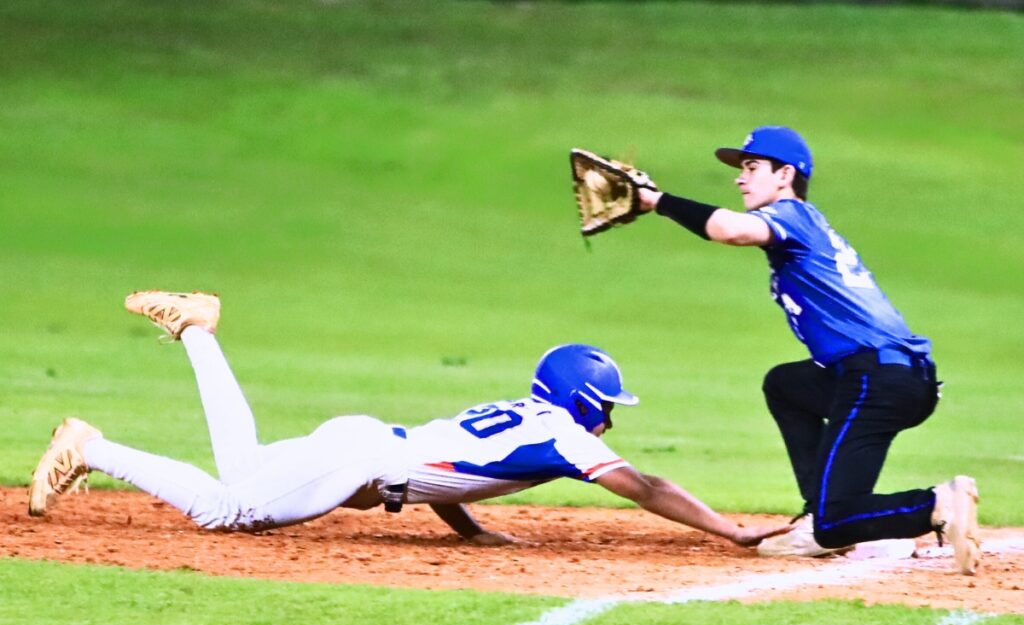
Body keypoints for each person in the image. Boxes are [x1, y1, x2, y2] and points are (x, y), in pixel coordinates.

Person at [28, 290, 791, 549]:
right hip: (361, 460)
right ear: (587, 400)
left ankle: (194, 331)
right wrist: (728, 529)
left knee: (241, 466)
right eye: (608, 408)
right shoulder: (562, 434)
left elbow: (452, 468)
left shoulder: (530, 415)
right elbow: (647, 485)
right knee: (230, 509)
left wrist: (472, 527)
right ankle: (98, 441)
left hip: (362, 443)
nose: (608, 424)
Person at [635, 125, 981, 574]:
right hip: (892, 377)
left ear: (785, 175)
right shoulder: (807, 224)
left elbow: (729, 230)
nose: (741, 178)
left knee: (835, 523)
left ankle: (935, 505)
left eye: (752, 167)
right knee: (786, 384)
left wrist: (655, 201)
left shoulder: (792, 216)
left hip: (877, 380)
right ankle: (822, 516)